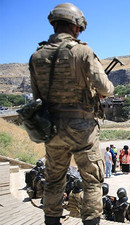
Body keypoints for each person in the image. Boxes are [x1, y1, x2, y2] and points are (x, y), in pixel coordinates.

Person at [29, 3, 115, 225]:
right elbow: (106, 89)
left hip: (52, 129)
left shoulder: (37, 55)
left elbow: (36, 95)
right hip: (82, 129)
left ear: (55, 24)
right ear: (76, 27)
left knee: (54, 180)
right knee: (92, 181)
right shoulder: (83, 51)